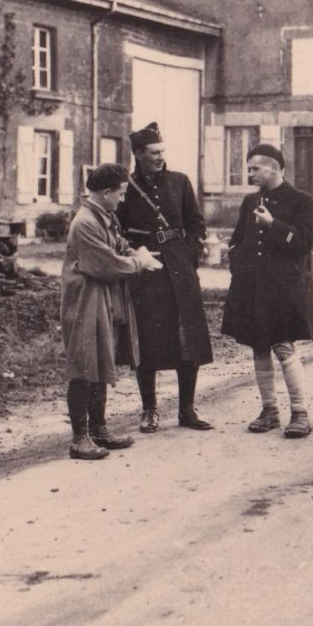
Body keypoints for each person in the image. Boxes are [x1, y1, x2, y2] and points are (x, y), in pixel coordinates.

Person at [116, 122, 215, 433]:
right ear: (138, 155)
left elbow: (197, 225)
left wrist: (190, 255)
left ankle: (187, 409)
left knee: (188, 340)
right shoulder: (127, 189)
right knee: (147, 343)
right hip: (146, 275)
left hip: (180, 271)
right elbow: (117, 232)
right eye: (154, 153)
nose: (160, 158)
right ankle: (149, 410)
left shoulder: (180, 182)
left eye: (162, 152)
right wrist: (136, 254)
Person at [60, 162, 163, 460]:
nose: (122, 199)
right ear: (106, 193)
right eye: (120, 193)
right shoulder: (86, 222)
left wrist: (136, 253)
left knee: (101, 359)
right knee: (84, 364)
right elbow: (105, 264)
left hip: (102, 297)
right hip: (84, 301)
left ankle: (100, 429)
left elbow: (120, 246)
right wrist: (138, 262)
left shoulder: (104, 216)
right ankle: (80, 438)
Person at [221, 143, 313, 438]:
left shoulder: (302, 201)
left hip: (285, 288)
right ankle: (269, 410)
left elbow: (304, 242)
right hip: (252, 287)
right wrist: (237, 264)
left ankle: (300, 413)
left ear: (274, 168)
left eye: (255, 168)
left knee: (284, 347)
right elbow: (237, 240)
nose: (250, 173)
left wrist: (273, 223)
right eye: (249, 168)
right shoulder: (249, 202)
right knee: (259, 346)